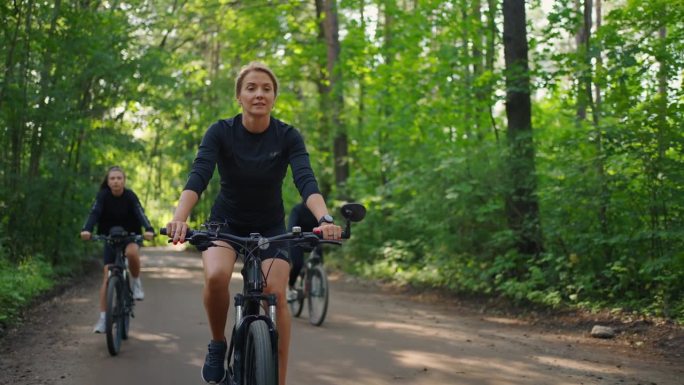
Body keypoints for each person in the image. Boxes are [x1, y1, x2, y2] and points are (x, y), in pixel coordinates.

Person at [165, 61, 341, 385]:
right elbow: (199, 175)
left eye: (266, 89)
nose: (259, 93)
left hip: (271, 226)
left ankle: (279, 378)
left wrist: (325, 218)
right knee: (217, 276)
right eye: (251, 88)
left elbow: (306, 180)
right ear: (239, 96)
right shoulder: (220, 132)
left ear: (274, 97)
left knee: (276, 292)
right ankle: (218, 343)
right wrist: (179, 218)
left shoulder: (288, 136)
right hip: (225, 223)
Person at [81, 166, 155, 333]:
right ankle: (103, 319)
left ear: (124, 180)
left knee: (131, 252)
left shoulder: (130, 196)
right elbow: (94, 213)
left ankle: (136, 283)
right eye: (112, 178)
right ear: (108, 182)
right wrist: (87, 229)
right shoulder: (103, 196)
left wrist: (149, 229)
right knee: (107, 277)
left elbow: (140, 213)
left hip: (131, 236)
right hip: (111, 239)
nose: (115, 181)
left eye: (119, 178)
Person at [286, 201, 322, 301]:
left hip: (312, 240)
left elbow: (322, 225)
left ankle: (318, 279)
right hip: (297, 241)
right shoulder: (297, 209)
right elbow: (291, 227)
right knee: (298, 264)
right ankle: (291, 286)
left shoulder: (317, 211)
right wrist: (294, 234)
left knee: (319, 258)